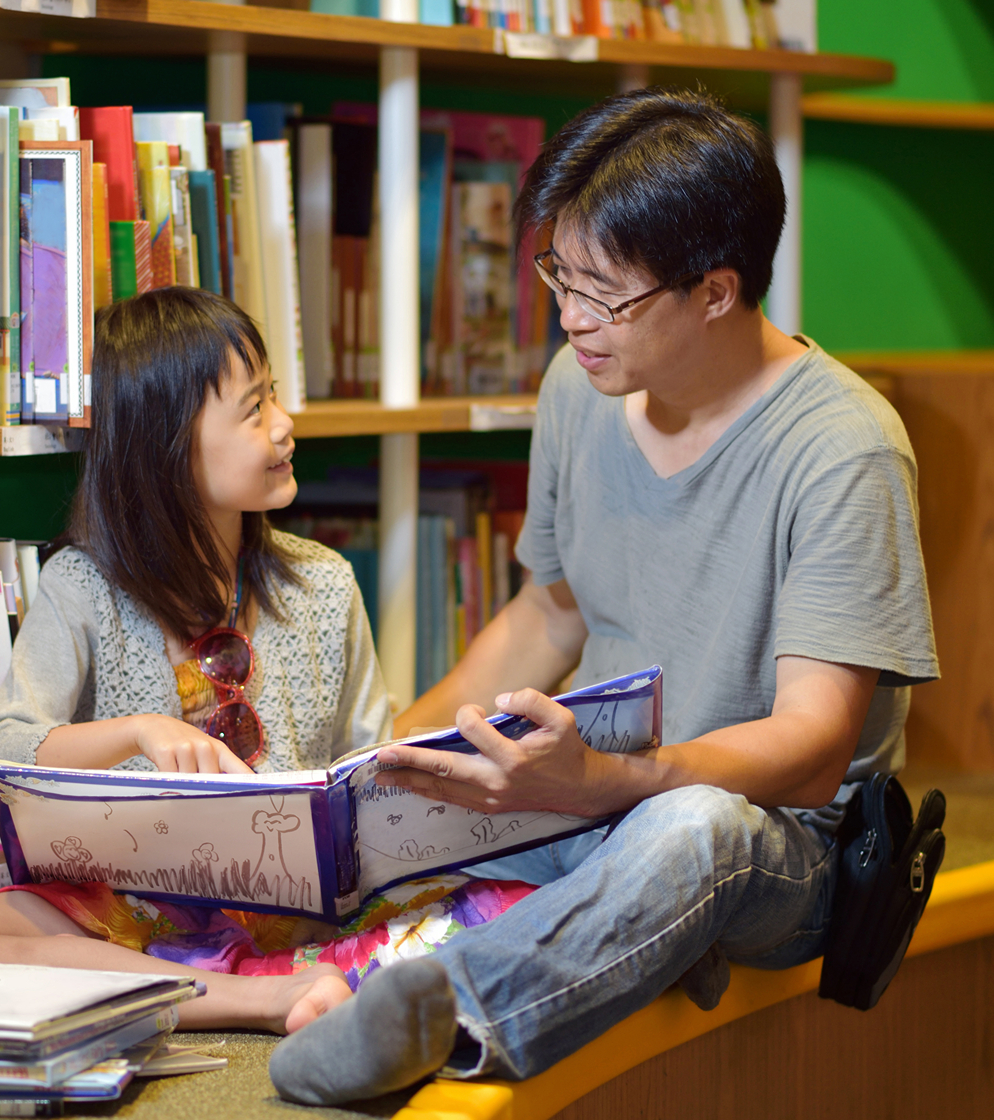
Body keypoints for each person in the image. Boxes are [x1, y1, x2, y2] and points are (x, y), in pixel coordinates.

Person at [269, 87, 939, 1105]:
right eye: (559, 275)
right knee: (380, 819)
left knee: (693, 834)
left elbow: (814, 748)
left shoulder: (845, 448)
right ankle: (632, 939)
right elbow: (552, 612)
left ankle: (448, 1018)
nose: (570, 317)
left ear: (716, 291)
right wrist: (390, 764)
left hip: (778, 845)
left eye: (604, 294)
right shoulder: (579, 387)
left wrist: (615, 783)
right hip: (592, 795)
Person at [0, 287, 535, 1035]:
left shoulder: (324, 584)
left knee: (523, 903)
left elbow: (372, 772)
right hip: (132, 921)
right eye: (255, 409)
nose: (286, 426)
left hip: (309, 925)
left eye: (275, 399)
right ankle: (262, 1000)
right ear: (169, 445)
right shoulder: (85, 585)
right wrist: (136, 733)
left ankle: (292, 984)